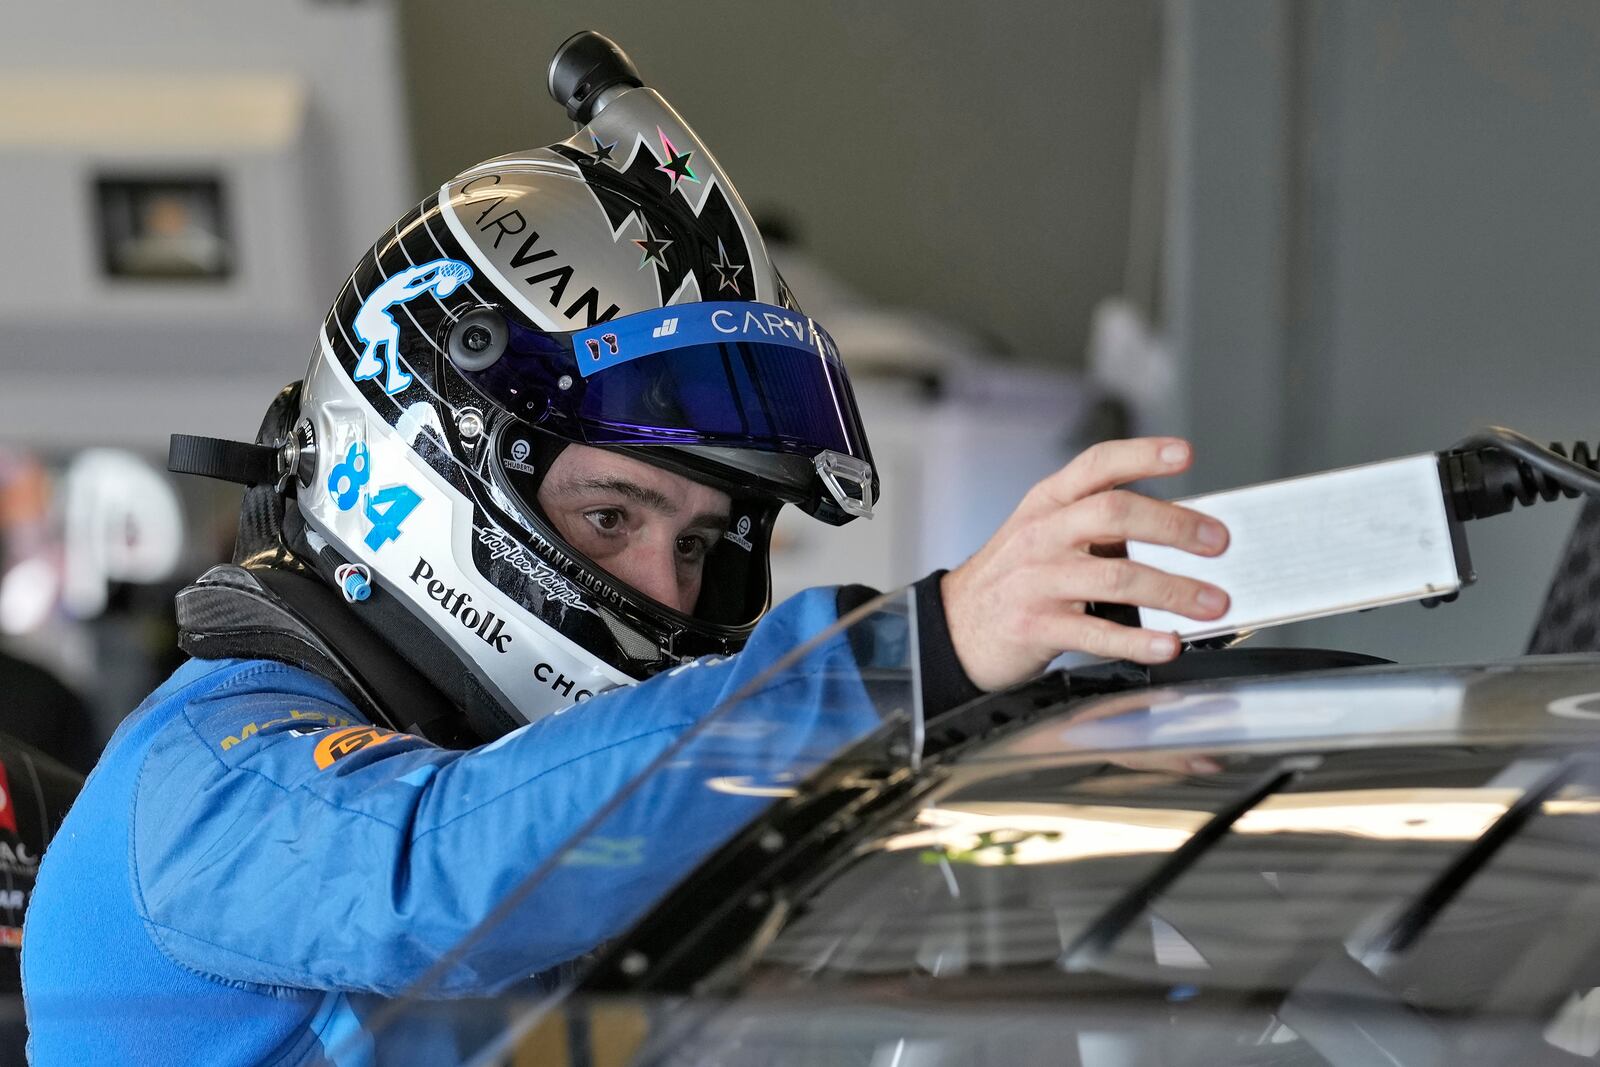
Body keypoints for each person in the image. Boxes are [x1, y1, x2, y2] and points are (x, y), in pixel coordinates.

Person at [20, 32, 1231, 1066]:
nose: (666, 585)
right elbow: (433, 872)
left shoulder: (547, 813)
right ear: (416, 467)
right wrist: (926, 650)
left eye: (701, 540)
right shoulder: (196, 778)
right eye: (613, 515)